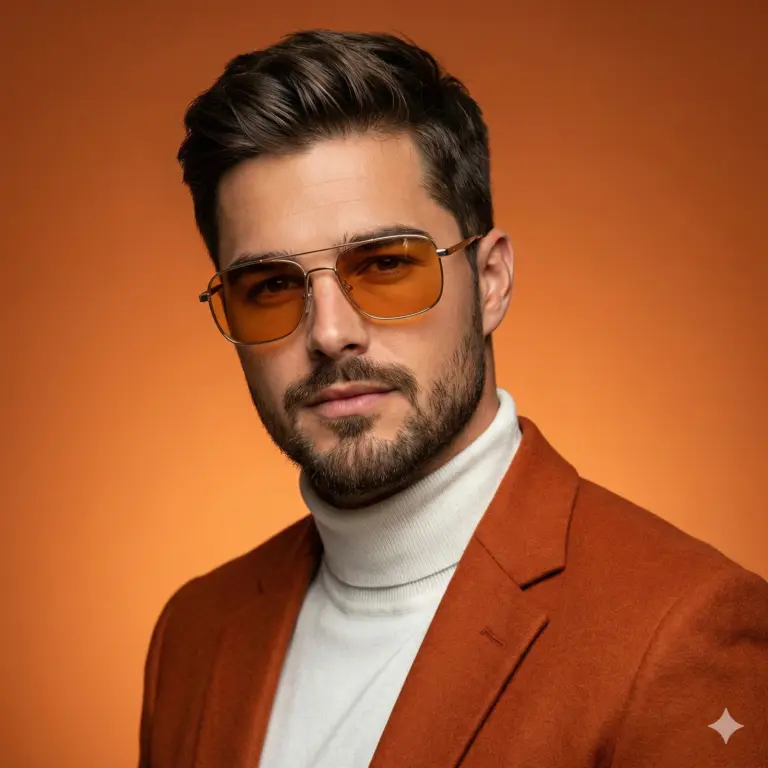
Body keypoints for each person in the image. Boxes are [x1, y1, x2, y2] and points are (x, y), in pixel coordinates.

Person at [138, 29, 768, 768]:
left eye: (385, 265)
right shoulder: (194, 633)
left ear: (491, 280)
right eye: (272, 286)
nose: (331, 333)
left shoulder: (684, 632)